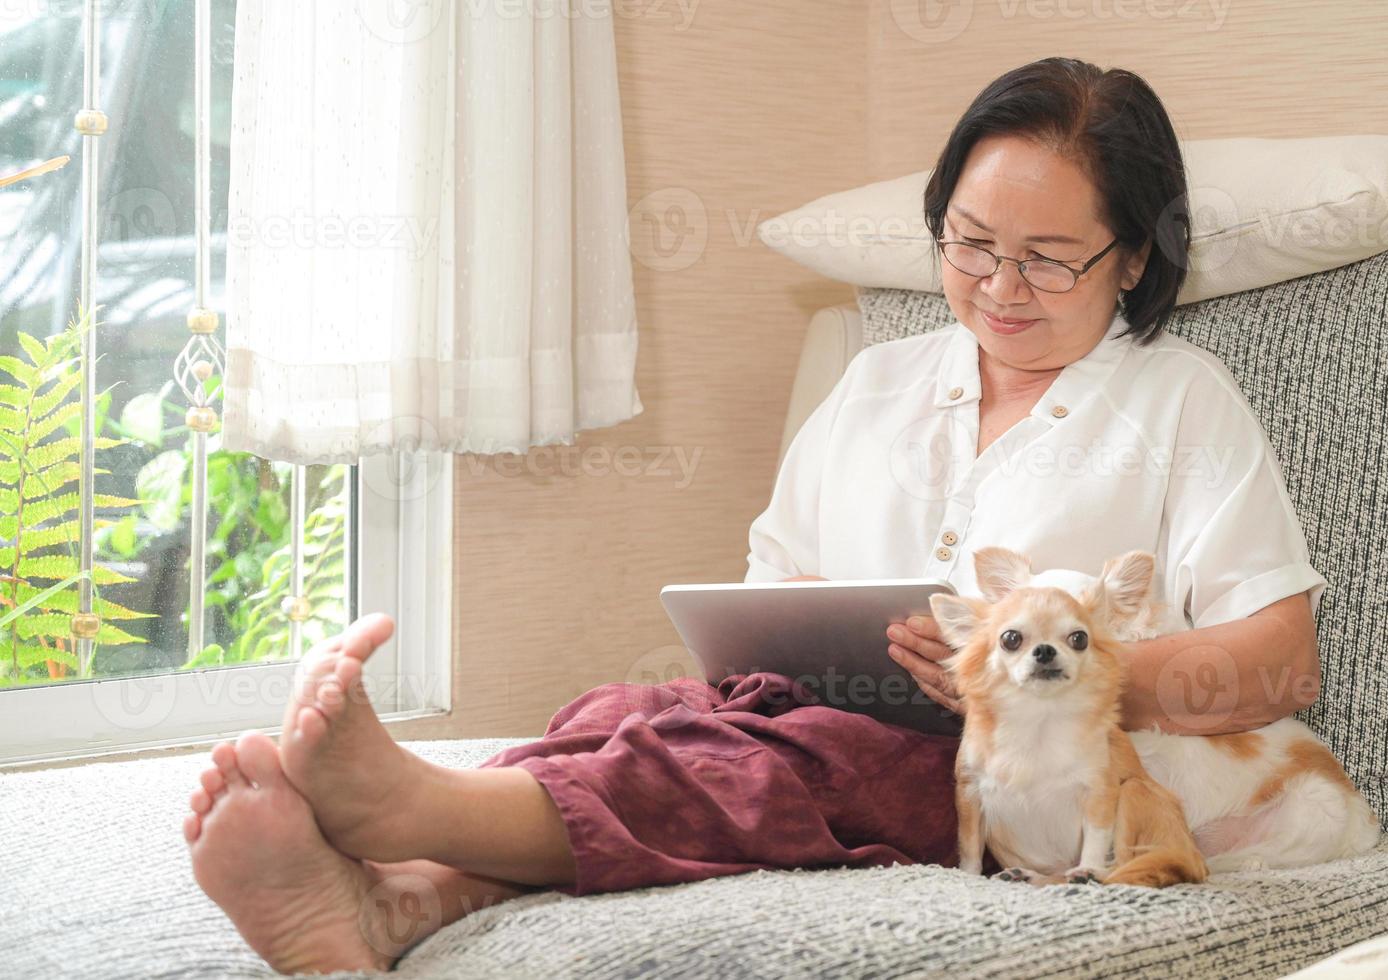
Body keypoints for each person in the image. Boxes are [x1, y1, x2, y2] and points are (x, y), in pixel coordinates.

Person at [181, 57, 1327, 974]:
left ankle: (400, 805)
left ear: (1129, 259)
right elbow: (769, 588)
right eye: (969, 243)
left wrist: (1034, 669)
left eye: (1045, 259)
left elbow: (1279, 662)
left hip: (1027, 769)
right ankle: (404, 897)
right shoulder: (880, 378)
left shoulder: (1179, 398)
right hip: (820, 707)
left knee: (791, 761)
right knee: (637, 711)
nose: (996, 286)